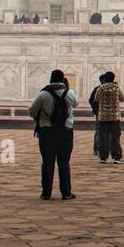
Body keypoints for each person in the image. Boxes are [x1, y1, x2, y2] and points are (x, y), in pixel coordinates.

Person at [29, 69, 78, 200]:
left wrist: (39, 119)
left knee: (47, 162)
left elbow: (32, 110)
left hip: (47, 132)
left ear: (50, 79)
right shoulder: (69, 93)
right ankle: (66, 192)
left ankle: (46, 193)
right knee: (64, 162)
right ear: (62, 79)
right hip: (65, 131)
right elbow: (76, 104)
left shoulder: (43, 94)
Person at [94, 71, 124, 164]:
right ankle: (117, 157)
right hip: (115, 116)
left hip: (103, 116)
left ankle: (103, 157)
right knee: (115, 137)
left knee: (103, 137)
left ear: (105, 78)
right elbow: (122, 98)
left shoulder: (101, 88)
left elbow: (96, 99)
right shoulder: (117, 88)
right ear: (113, 78)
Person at [89, 74, 105, 155]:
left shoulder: (98, 89)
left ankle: (98, 149)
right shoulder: (98, 89)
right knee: (100, 131)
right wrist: (96, 109)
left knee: (99, 131)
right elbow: (92, 100)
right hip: (104, 113)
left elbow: (91, 100)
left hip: (100, 113)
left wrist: (95, 110)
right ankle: (97, 149)